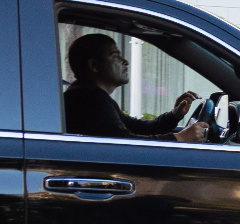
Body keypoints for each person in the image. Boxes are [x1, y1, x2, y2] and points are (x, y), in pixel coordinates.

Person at [62, 33, 205, 142]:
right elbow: (125, 144)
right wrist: (181, 138)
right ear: (94, 65)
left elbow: (138, 128)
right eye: (115, 56)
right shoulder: (89, 99)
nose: (126, 62)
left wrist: (174, 115)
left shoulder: (88, 94)